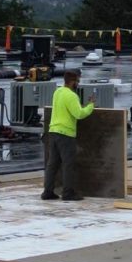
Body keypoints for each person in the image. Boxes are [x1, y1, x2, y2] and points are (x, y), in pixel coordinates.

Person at [40, 70, 96, 201]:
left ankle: (47, 192)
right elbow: (79, 114)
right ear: (72, 81)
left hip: (53, 131)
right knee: (68, 164)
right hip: (66, 134)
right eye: (78, 81)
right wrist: (91, 105)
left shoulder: (57, 92)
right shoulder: (71, 96)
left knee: (52, 164)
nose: (78, 84)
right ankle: (68, 193)